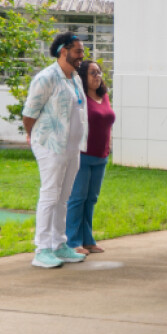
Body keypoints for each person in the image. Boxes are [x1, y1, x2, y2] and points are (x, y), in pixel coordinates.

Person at [22, 32, 89, 268]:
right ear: (64, 51)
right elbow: (29, 113)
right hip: (51, 146)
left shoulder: (74, 78)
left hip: (72, 148)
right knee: (50, 195)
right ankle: (42, 249)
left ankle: (59, 245)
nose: (82, 55)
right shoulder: (46, 77)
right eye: (78, 51)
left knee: (63, 197)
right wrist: (34, 136)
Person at [65, 59, 116, 255]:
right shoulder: (80, 98)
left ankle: (88, 240)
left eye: (99, 72)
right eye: (93, 73)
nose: (98, 76)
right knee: (78, 198)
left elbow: (108, 122)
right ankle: (72, 242)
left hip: (101, 155)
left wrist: (109, 145)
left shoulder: (104, 97)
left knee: (91, 199)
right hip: (82, 154)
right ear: (83, 77)